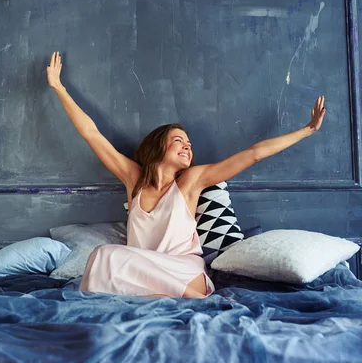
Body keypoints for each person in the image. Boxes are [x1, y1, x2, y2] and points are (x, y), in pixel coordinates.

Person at [46, 51, 326, 298]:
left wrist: (307, 130)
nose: (187, 146)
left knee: (106, 256)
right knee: (101, 258)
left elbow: (253, 153)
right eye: (179, 140)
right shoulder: (134, 180)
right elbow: (91, 134)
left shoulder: (190, 182)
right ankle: (158, 299)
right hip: (141, 272)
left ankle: (198, 300)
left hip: (183, 273)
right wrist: (59, 87)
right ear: (158, 146)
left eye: (189, 144)